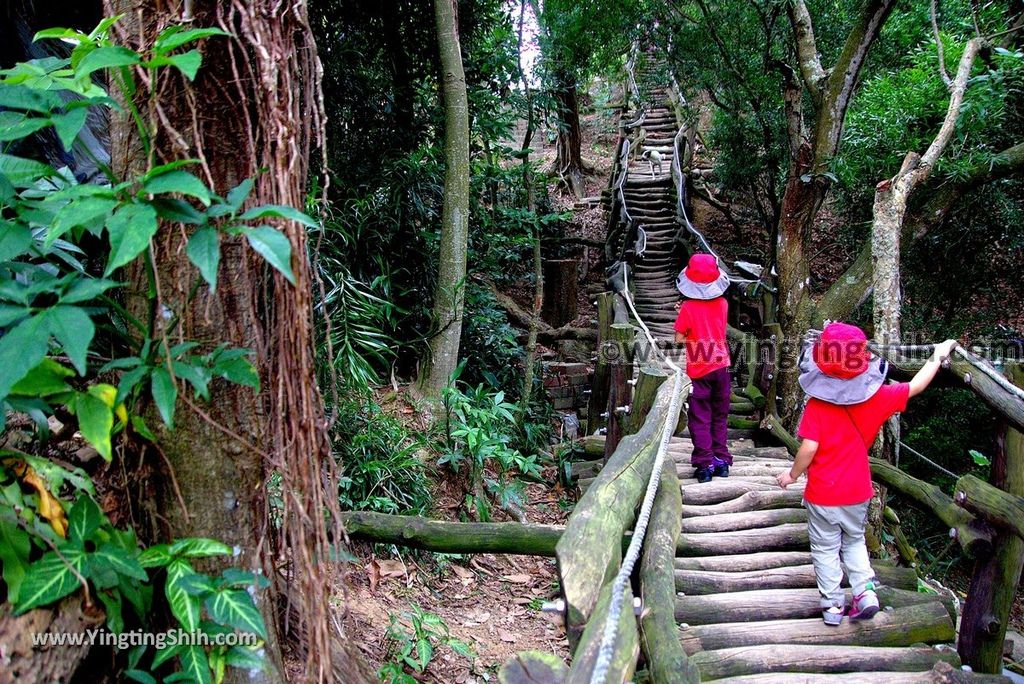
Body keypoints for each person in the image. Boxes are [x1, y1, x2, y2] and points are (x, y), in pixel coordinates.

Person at [776, 322, 957, 625]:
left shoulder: (818, 405)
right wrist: (937, 355)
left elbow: (808, 449)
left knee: (825, 548)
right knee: (854, 542)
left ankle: (833, 605)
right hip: (858, 490)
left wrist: (793, 475)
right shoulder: (878, 398)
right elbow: (916, 386)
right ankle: (865, 593)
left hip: (823, 493)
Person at [674, 253, 732, 484]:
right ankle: (721, 461)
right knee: (719, 416)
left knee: (700, 417)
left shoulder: (687, 308)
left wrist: (683, 316)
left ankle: (704, 464)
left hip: (699, 369)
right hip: (722, 365)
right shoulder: (724, 303)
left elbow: (679, 339)